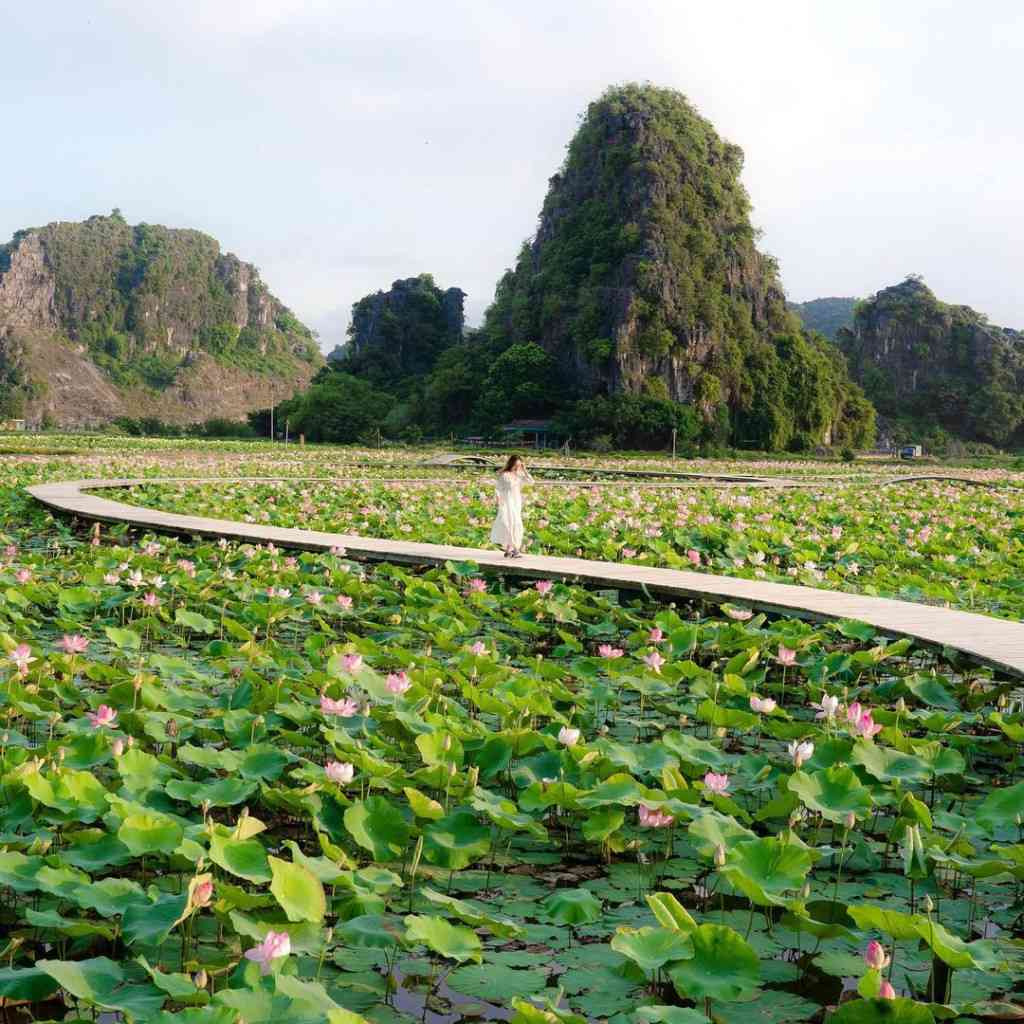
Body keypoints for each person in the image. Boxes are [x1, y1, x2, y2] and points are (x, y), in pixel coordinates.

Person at [490, 454, 533, 558]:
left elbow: (531, 482)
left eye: (519, 465)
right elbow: (504, 487)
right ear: (511, 463)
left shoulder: (519, 474)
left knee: (515, 524)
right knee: (508, 523)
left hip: (516, 501)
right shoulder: (505, 474)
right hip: (506, 501)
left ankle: (509, 550)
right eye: (516, 465)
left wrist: (525, 471)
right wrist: (518, 477)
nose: (517, 467)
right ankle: (516, 549)